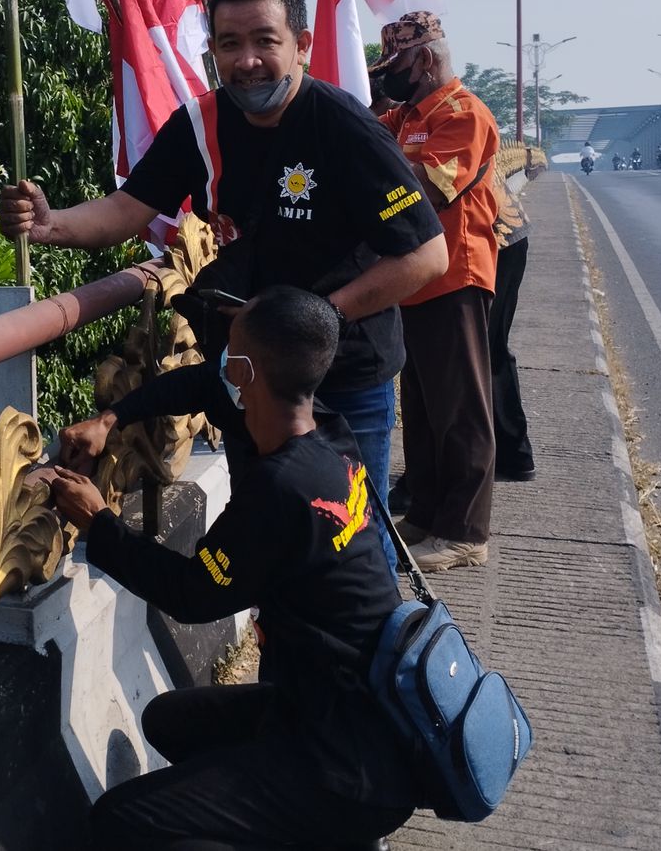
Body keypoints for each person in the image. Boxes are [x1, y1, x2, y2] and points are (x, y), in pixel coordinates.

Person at [0, 0, 448, 500]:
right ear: (213, 50)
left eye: (265, 41)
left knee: (351, 540)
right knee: (262, 530)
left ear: (301, 44)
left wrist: (320, 315)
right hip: (250, 376)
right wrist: (52, 225)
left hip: (343, 371)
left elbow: (427, 255)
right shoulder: (201, 122)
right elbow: (128, 207)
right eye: (230, 44)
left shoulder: (346, 128)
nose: (247, 61)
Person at [46, 287, 421, 850]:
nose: (217, 362)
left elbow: (193, 595)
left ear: (243, 373)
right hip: (352, 717)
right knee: (171, 723)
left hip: (344, 768)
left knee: (119, 822)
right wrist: (112, 416)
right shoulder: (331, 438)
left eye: (229, 353)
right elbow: (196, 386)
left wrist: (100, 524)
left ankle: (328, 830)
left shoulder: (279, 486)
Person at [373, 12, 499, 572]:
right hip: (414, 283)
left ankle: (466, 531)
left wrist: (378, 167)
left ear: (424, 59)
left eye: (396, 64)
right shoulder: (401, 117)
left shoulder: (462, 114)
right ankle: (425, 515)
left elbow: (428, 190)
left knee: (461, 411)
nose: (389, 77)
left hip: (455, 277)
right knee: (421, 411)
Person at [489, 169, 536, 483]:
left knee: (485, 347)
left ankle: (514, 453)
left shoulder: (445, 121)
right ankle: (512, 454)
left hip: (499, 240)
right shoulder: (402, 124)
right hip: (498, 235)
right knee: (486, 348)